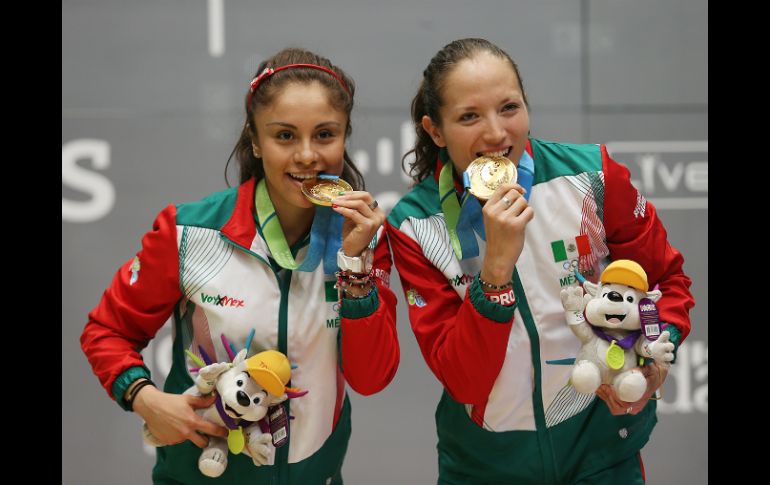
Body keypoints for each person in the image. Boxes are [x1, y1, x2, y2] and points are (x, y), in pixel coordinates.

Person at [81, 47, 399, 484]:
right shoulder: (191, 232)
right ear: (255, 139)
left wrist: (356, 268)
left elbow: (371, 377)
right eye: (284, 136)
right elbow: (107, 331)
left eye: (325, 134)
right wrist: (143, 396)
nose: (307, 155)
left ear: (345, 136)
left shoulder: (362, 239)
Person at [386, 38, 694, 484]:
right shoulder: (415, 224)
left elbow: (665, 282)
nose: (496, 133)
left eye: (509, 107)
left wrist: (651, 357)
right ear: (435, 131)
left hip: (601, 455)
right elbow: (465, 382)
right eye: (469, 116)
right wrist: (494, 271)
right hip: (484, 465)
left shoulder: (593, 177)